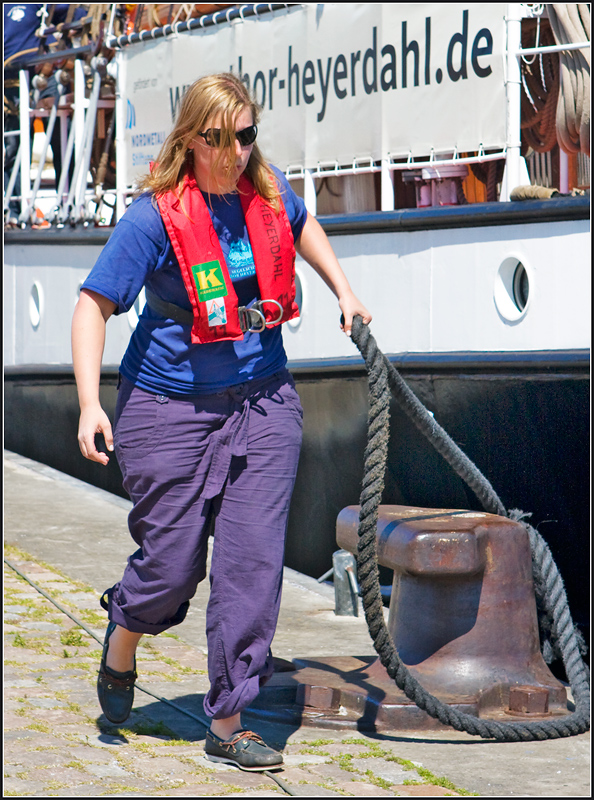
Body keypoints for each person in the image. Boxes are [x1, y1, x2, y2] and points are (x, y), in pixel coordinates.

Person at [71, 72, 372, 771]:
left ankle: (230, 719)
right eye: (219, 138)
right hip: (167, 409)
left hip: (263, 402)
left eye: (245, 135)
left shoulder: (264, 191)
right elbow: (93, 305)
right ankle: (125, 634)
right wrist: (90, 403)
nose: (234, 151)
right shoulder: (154, 216)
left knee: (252, 564)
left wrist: (346, 291)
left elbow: (301, 225)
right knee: (170, 567)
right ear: (191, 138)